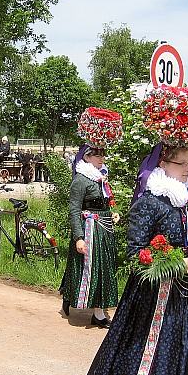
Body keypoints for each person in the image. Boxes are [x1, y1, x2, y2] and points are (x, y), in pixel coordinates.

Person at [86, 143, 188, 375]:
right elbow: (136, 252)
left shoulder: (182, 200)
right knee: (134, 343)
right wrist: (174, 263)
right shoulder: (148, 203)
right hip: (152, 293)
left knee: (182, 343)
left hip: (184, 285)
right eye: (181, 164)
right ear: (163, 166)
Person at [60, 107, 123, 328]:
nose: (102, 158)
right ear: (87, 156)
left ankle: (98, 310)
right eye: (98, 154)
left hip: (104, 228)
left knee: (103, 269)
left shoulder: (101, 178)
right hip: (88, 229)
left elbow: (106, 200)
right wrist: (78, 236)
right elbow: (74, 208)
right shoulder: (81, 180)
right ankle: (76, 301)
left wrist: (111, 210)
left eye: (103, 154)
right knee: (84, 267)